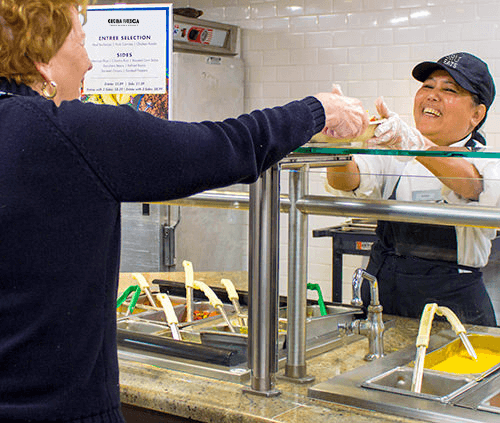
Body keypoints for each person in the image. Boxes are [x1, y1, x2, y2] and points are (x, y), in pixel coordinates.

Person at [0, 1, 369, 422]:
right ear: (41, 59)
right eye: (80, 41)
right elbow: (227, 146)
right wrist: (318, 110)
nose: (88, 62)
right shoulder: (69, 131)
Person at [326, 52, 499, 327]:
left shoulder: (488, 163)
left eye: (449, 89)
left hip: (452, 312)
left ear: (477, 114)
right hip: (383, 301)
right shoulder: (397, 153)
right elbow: (348, 181)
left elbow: (472, 185)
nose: (432, 95)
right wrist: (338, 147)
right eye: (428, 86)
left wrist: (417, 145)